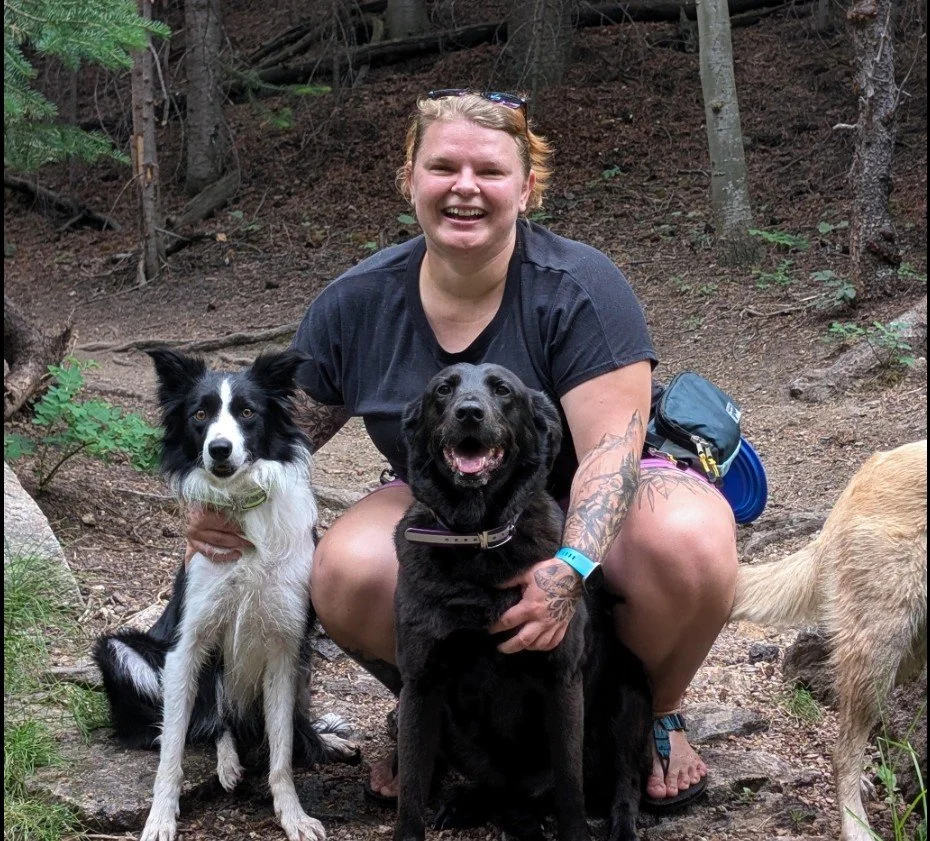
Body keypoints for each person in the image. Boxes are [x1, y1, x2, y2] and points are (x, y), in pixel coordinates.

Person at [187, 89, 738, 811]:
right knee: (348, 565)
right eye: (443, 166)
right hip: (445, 501)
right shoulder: (357, 302)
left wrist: (569, 567)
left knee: (686, 540)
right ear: (410, 178)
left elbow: (611, 457)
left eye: (491, 170)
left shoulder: (579, 288)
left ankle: (657, 711)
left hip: (590, 495)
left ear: (528, 187)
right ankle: (430, 703)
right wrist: (212, 498)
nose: (465, 188)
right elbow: (273, 432)